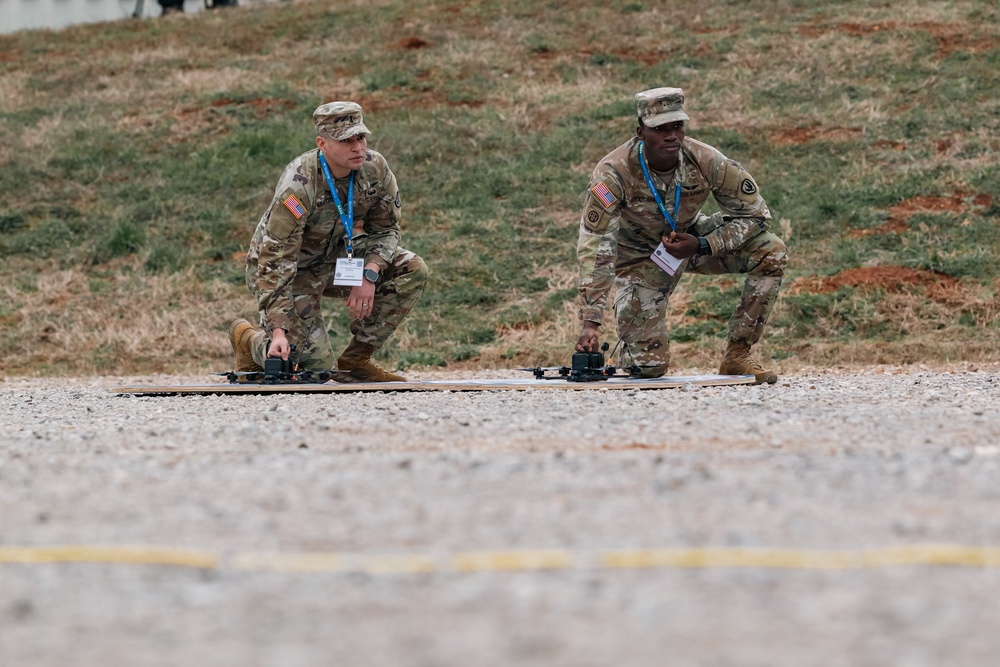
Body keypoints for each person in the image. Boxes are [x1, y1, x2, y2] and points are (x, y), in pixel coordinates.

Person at [575, 87, 787, 384]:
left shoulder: (706, 160)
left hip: (690, 243)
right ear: (640, 132)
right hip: (640, 260)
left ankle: (738, 354)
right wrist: (591, 321)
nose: (671, 135)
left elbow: (756, 215)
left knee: (771, 250)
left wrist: (703, 244)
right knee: (648, 369)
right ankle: (637, 346)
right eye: (660, 129)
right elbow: (596, 247)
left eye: (677, 126)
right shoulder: (613, 173)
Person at [228, 101, 428, 382]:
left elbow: (386, 229)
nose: (358, 147)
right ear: (322, 143)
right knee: (312, 370)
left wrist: (369, 274)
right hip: (289, 270)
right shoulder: (298, 185)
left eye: (361, 137)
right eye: (346, 140)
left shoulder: (375, 169)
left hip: (335, 259)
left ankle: (356, 359)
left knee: (411, 267)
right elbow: (276, 260)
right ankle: (249, 341)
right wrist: (278, 331)